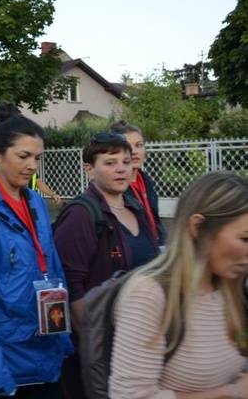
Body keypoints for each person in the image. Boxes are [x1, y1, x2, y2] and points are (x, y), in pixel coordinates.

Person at [0, 115, 72, 398]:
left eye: (37, 157)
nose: (32, 165)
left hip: (42, 347)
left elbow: (53, 268)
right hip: (2, 359)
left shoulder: (35, 202)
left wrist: (62, 339)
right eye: (23, 156)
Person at [109, 171, 248, 398]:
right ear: (197, 227)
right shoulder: (148, 294)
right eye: (244, 239)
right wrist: (230, 392)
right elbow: (130, 395)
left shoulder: (233, 287)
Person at [53, 133, 159, 398]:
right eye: (110, 163)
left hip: (142, 342)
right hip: (102, 348)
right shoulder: (81, 215)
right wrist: (92, 343)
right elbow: (70, 284)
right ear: (89, 169)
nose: (122, 168)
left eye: (125, 161)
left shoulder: (136, 208)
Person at [110, 120, 168, 241]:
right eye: (128, 146)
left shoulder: (146, 179)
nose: (135, 152)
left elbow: (154, 219)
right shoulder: (112, 187)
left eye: (139, 145)